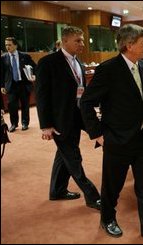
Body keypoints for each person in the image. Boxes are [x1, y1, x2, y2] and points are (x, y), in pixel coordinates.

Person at [79, 24, 143, 243]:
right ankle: (107, 218)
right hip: (117, 140)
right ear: (129, 45)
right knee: (112, 187)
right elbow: (86, 102)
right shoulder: (108, 69)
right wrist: (97, 134)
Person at [35, 26, 101, 211]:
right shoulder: (48, 62)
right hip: (59, 121)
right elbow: (41, 96)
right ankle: (92, 195)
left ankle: (57, 190)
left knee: (63, 155)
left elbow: (80, 91)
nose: (82, 44)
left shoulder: (78, 63)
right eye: (77, 41)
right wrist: (45, 125)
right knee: (73, 157)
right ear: (64, 41)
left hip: (76, 117)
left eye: (82, 40)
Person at [1, 37, 36, 132]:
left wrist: (34, 75)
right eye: (6, 45)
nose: (7, 47)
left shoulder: (25, 56)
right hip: (11, 85)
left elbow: (34, 67)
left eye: (10, 45)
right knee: (12, 106)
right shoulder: (3, 58)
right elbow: (2, 73)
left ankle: (25, 123)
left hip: (24, 84)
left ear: (15, 45)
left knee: (25, 105)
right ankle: (13, 124)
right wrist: (2, 86)